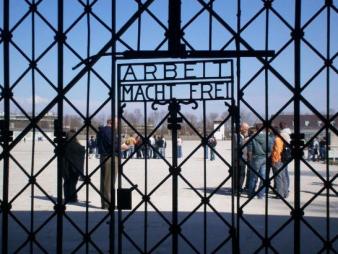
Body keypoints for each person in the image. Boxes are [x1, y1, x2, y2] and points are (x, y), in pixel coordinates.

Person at [97, 119, 128, 209]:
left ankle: (105, 203)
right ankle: (107, 203)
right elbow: (113, 145)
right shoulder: (109, 131)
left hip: (105, 156)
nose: (118, 125)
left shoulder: (103, 131)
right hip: (110, 157)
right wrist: (123, 147)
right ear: (113, 123)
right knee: (109, 181)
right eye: (118, 123)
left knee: (106, 181)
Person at [247, 123, 271, 199]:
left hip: (255, 158)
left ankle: (251, 193)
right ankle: (261, 194)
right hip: (264, 158)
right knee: (263, 177)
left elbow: (250, 150)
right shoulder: (267, 137)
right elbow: (270, 149)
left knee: (253, 177)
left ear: (256, 128)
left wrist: (250, 160)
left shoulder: (252, 137)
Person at [62, 129, 85, 203]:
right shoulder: (77, 145)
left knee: (66, 182)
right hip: (74, 167)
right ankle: (72, 197)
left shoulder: (64, 145)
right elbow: (81, 153)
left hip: (65, 167)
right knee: (72, 182)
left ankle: (67, 196)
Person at [271, 126, 289, 198]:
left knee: (278, 177)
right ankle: (285, 193)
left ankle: (280, 194)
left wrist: (275, 160)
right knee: (283, 176)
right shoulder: (281, 139)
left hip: (278, 160)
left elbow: (278, 151)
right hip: (282, 160)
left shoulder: (277, 139)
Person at [233, 122, 249, 194]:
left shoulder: (243, 136)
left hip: (244, 157)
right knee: (237, 174)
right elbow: (238, 145)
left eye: (247, 129)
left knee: (242, 173)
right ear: (241, 128)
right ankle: (236, 189)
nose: (246, 130)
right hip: (238, 157)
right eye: (245, 129)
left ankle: (239, 188)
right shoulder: (235, 135)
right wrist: (246, 139)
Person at [279, 121, 291, 197]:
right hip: (288, 154)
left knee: (283, 172)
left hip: (283, 154)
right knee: (286, 171)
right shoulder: (289, 133)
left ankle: (285, 188)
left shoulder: (282, 134)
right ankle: (287, 187)